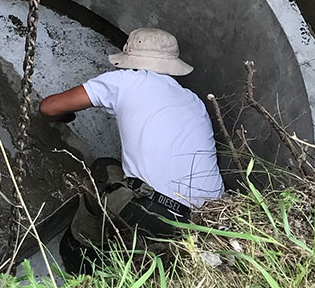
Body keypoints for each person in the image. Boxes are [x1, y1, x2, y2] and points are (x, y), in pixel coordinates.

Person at [39, 27, 224, 274]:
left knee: (103, 171)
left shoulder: (125, 81)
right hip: (209, 223)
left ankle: (81, 253)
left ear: (130, 59)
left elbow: (49, 107)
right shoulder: (194, 101)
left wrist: (64, 116)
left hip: (161, 219)